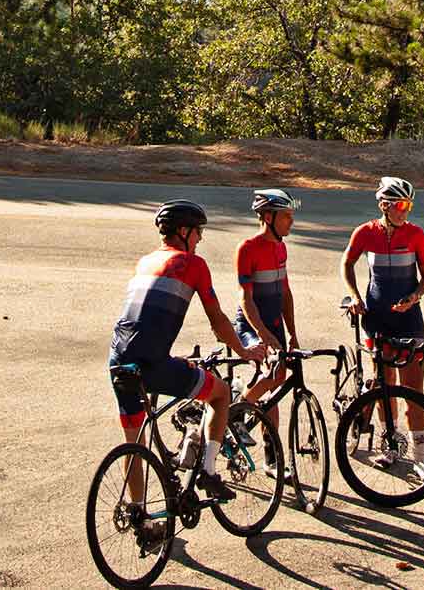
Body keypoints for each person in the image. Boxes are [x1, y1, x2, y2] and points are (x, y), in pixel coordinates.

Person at [108, 199, 267, 504]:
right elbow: (219, 321)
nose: (200, 238)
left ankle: (139, 515)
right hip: (152, 363)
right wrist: (244, 351)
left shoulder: (145, 262)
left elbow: (144, 321)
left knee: (135, 443)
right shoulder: (193, 264)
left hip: (118, 360)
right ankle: (208, 471)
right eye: (197, 232)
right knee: (219, 394)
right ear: (183, 231)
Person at [340, 176, 424, 477]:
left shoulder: (416, 234)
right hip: (377, 317)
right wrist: (355, 297)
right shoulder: (365, 233)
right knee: (384, 387)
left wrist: (415, 296)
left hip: (409, 318)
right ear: (384, 205)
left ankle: (420, 457)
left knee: (413, 390)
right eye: (401, 205)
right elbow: (346, 264)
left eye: (409, 205)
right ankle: (391, 447)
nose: (406, 211)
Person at [234, 188, 300, 478]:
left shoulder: (281, 248)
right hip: (250, 325)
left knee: (276, 385)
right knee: (273, 375)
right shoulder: (248, 248)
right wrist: (262, 333)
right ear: (268, 217)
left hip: (273, 326)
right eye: (286, 216)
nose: (291, 222)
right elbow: (245, 300)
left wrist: (292, 333)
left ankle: (271, 458)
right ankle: (236, 412)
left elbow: (285, 293)